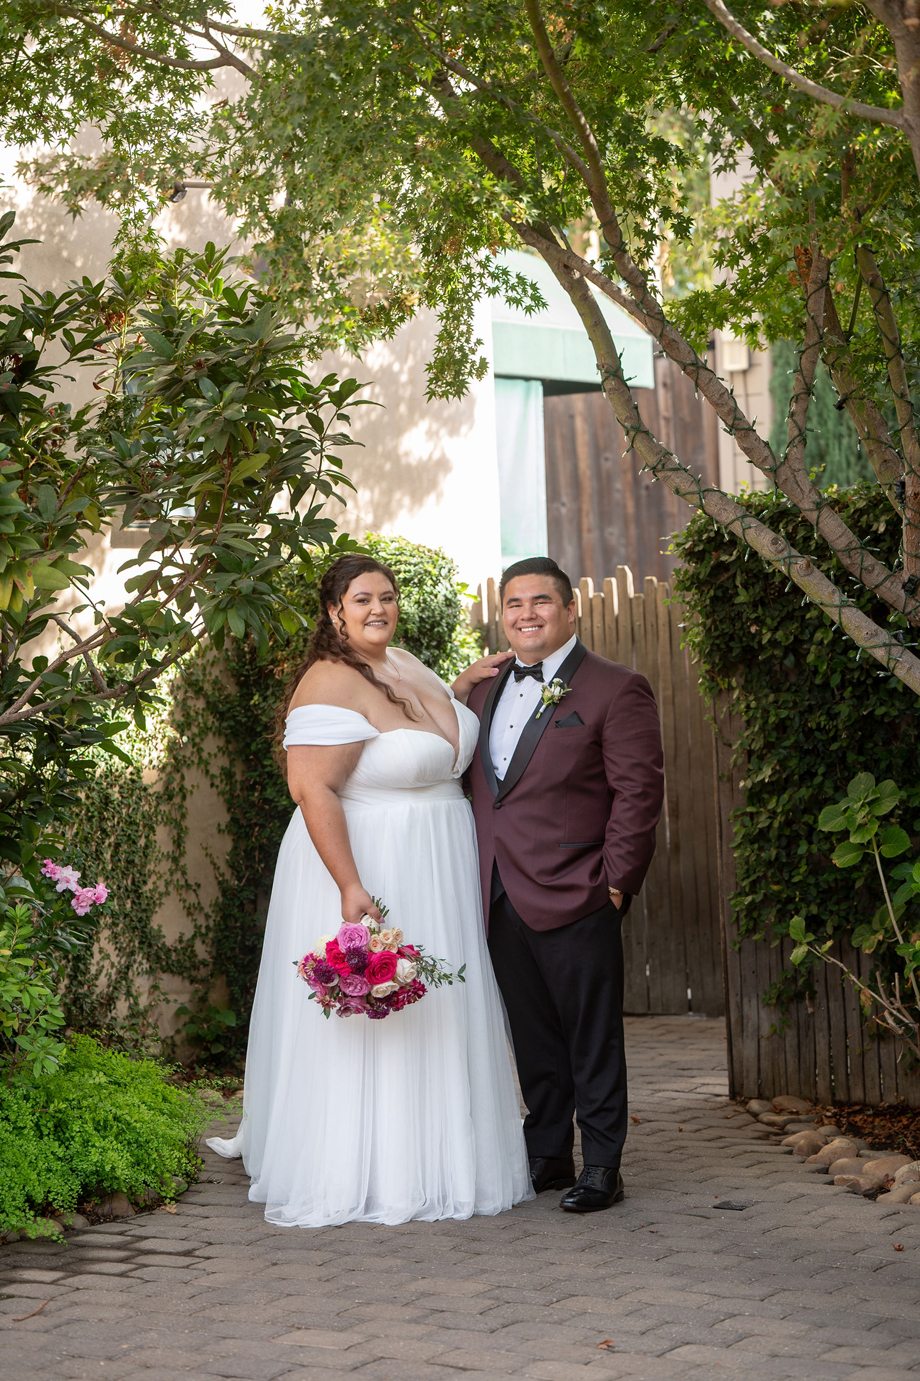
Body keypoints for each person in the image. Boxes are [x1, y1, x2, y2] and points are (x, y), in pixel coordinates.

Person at [207, 554, 532, 1227]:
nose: (378, 608)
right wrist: (350, 884)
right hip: (374, 861)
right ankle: (374, 1165)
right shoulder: (329, 680)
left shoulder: (403, 661)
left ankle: (442, 1149)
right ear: (334, 612)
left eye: (387, 596)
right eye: (362, 599)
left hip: (438, 862)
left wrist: (460, 688)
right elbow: (311, 788)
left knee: (439, 1009)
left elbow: (419, 734)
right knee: (384, 1016)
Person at [466, 557, 664, 1212]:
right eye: (514, 603)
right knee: (531, 1035)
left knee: (592, 1035)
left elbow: (638, 794)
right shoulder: (481, 690)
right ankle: (548, 1153)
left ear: (570, 609)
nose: (527, 614)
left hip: (580, 889)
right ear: (503, 614)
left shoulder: (616, 687)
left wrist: (615, 884)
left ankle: (603, 1165)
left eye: (541, 601)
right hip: (498, 890)